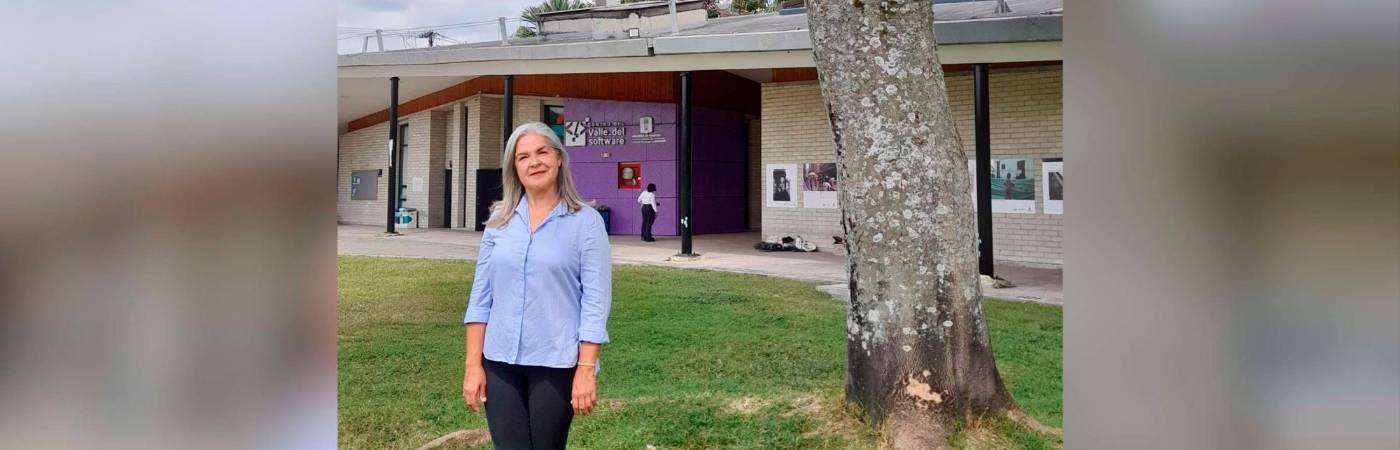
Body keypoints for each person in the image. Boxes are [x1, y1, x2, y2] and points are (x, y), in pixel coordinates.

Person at [462, 122, 612, 450]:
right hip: (499, 361)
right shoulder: (498, 222)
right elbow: (480, 299)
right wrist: (473, 366)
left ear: (559, 159)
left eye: (542, 152)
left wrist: (586, 369)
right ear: (514, 168)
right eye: (523, 156)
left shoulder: (586, 222)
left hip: (555, 362)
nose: (534, 162)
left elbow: (595, 302)